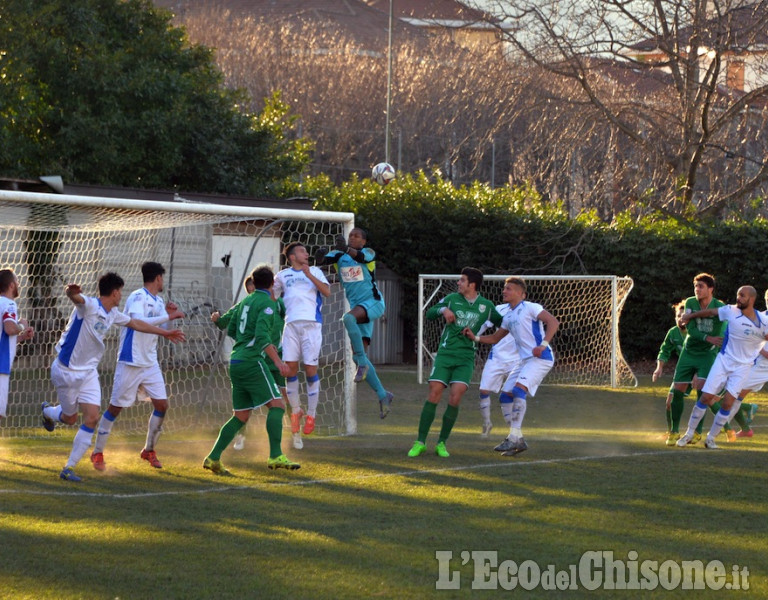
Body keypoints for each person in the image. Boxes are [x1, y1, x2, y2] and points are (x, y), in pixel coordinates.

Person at [41, 273, 185, 482]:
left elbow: (137, 324)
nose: (121, 296)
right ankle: (47, 411)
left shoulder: (114, 314)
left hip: (89, 372)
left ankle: (68, 468)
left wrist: (165, 333)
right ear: (115, 292)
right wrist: (71, 292)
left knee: (92, 417)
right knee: (70, 418)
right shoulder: (90, 306)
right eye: (120, 292)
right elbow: (77, 298)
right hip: (66, 371)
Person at [89, 262, 185, 471]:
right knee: (115, 408)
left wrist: (168, 318)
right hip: (131, 360)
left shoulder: (159, 301)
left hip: (150, 362)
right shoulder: (137, 297)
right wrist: (169, 317)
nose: (163, 282)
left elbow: (161, 327)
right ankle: (97, 452)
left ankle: (148, 449)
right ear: (158, 278)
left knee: (162, 405)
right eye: (162, 278)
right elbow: (138, 321)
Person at [205, 265, 300, 475]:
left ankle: (213, 457)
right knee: (277, 405)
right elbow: (263, 337)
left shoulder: (245, 301)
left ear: (253, 283)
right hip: (252, 361)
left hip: (235, 362)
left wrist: (216, 319)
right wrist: (279, 362)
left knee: (240, 416)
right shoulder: (267, 303)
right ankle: (276, 455)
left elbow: (223, 322)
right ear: (273, 284)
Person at [407, 267, 503, 458]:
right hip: (445, 354)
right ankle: (420, 442)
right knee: (434, 392)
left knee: (455, 397)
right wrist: (443, 310)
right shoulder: (451, 299)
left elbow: (504, 324)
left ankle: (441, 443)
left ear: (472, 285)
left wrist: (479, 338)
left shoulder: (486, 306)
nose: (458, 283)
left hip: (466, 358)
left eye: (462, 280)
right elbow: (430, 313)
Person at [466, 277, 559, 457]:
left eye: (508, 289)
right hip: (524, 361)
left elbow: (553, 322)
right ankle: (518, 439)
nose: (504, 291)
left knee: (518, 390)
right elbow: (494, 338)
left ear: (520, 293)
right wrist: (475, 338)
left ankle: (513, 437)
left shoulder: (531, 307)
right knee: (505, 396)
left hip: (541, 358)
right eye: (504, 288)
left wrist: (543, 344)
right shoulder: (507, 316)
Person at [677, 286, 768, 449]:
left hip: (743, 368)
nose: (738, 298)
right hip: (724, 361)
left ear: (751, 299)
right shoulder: (731, 310)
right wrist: (691, 315)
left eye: (742, 295)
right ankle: (689, 434)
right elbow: (710, 312)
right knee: (705, 398)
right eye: (737, 294)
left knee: (727, 404)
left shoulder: (763, 321)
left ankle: (711, 438)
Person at [318, 228, 393, 418]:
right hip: (359, 308)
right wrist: (319, 255)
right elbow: (324, 260)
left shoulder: (368, 253)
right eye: (350, 235)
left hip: (373, 303)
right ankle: (384, 395)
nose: (352, 237)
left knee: (348, 318)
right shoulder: (339, 255)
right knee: (359, 356)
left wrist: (346, 249)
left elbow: (361, 257)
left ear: (364, 241)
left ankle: (362, 367)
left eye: (356, 236)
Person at [273, 241, 331, 449]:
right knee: (290, 371)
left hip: (312, 325)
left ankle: (312, 415)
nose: (306, 253)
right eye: (302, 251)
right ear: (291, 256)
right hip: (290, 326)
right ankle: (296, 411)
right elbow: (272, 296)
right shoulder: (282, 276)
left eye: (306, 251)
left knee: (311, 369)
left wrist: (309, 275)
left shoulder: (314, 270)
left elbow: (326, 292)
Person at [669, 273, 736, 445]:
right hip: (689, 351)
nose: (697, 289)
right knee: (678, 390)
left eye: (701, 286)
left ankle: (697, 432)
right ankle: (674, 432)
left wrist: (719, 341)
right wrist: (708, 338)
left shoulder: (719, 306)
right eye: (695, 286)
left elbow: (725, 327)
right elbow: (690, 328)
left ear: (711, 289)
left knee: (703, 391)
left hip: (708, 355)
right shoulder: (691, 302)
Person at [476, 302, 519, 438]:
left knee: (511, 394)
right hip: (497, 357)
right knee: (483, 390)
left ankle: (513, 431)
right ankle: (487, 423)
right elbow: (484, 324)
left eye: (509, 288)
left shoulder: (527, 309)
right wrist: (473, 335)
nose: (505, 291)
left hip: (517, 359)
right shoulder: (499, 309)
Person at [0, 268, 35, 422]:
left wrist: (20, 337)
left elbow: (4, 337)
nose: (19, 283)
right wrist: (21, 325)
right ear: (12, 285)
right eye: (17, 280)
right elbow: (9, 329)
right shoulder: (9, 304)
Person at [232, 276, 255, 452]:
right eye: (249, 290)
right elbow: (229, 324)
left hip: (273, 357)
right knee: (244, 403)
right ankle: (241, 434)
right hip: (250, 359)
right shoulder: (242, 307)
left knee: (283, 396)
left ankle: (294, 433)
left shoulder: (274, 304)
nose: (252, 292)